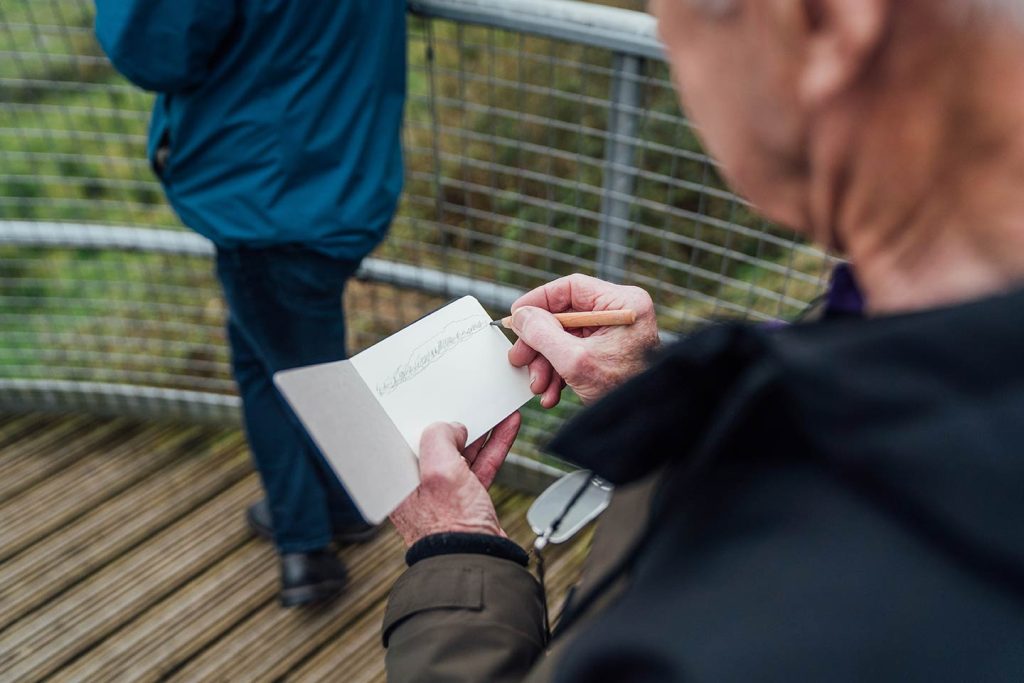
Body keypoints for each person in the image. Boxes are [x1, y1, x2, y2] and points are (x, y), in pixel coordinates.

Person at [382, 0, 1024, 679]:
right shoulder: (898, 334)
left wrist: (455, 552)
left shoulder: (754, 626)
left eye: (671, 26)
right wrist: (644, 391)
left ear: (821, 22)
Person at [93, 1, 407, 606]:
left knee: (287, 366)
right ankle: (345, 503)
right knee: (277, 347)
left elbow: (152, 48)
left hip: (267, 191)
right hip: (341, 173)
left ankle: (306, 547)